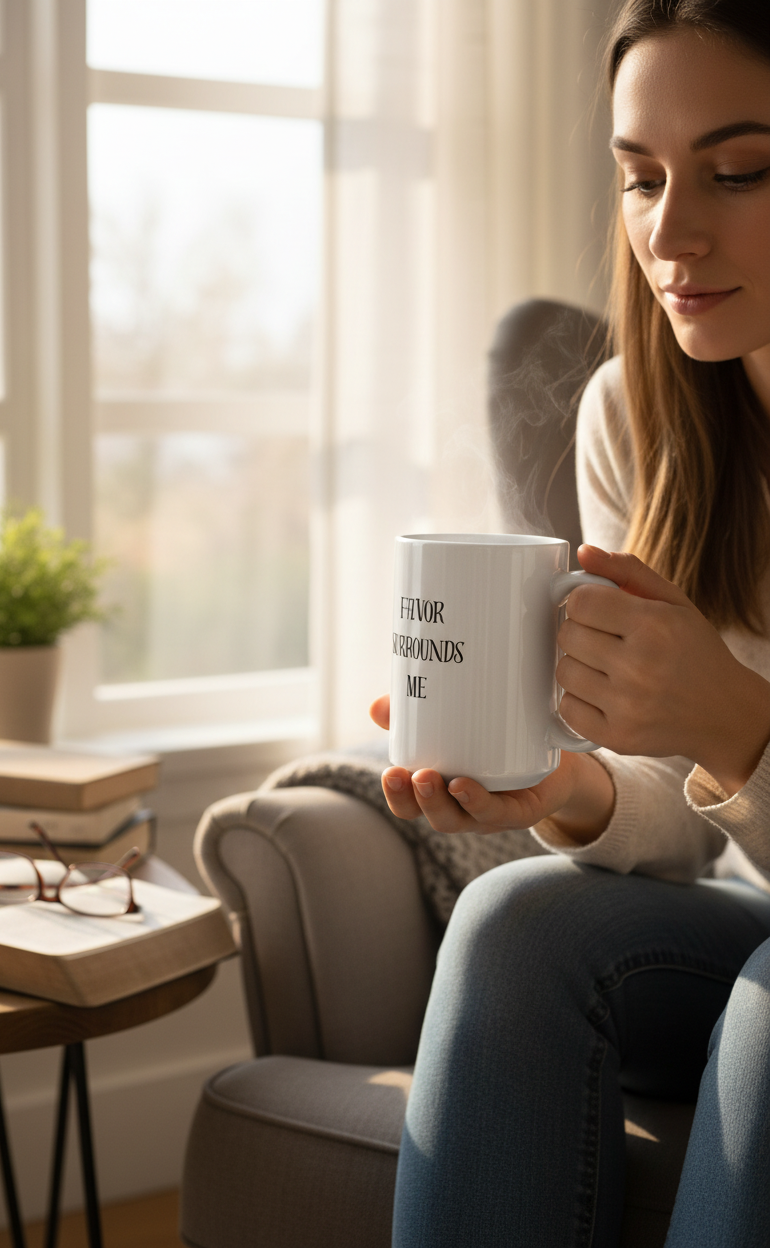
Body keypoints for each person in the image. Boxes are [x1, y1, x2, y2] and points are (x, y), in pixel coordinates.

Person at [369, 3, 770, 1245]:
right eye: (639, 178)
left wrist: (742, 727)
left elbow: (723, 747)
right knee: (514, 917)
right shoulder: (634, 413)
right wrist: (567, 782)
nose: (671, 230)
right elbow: (679, 815)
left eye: (739, 169)